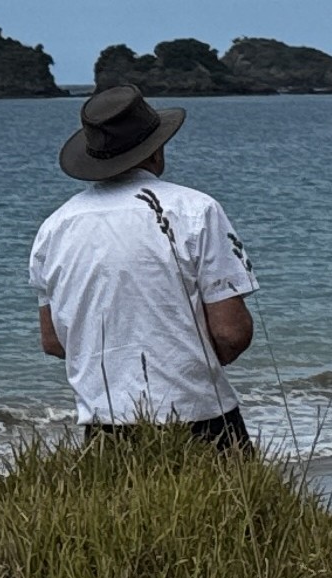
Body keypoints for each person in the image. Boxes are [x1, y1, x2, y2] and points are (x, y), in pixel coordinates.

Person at [30, 85, 262, 446]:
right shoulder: (195, 210)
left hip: (104, 426)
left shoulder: (54, 227)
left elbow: (53, 341)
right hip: (200, 418)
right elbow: (231, 332)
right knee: (238, 503)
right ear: (156, 151)